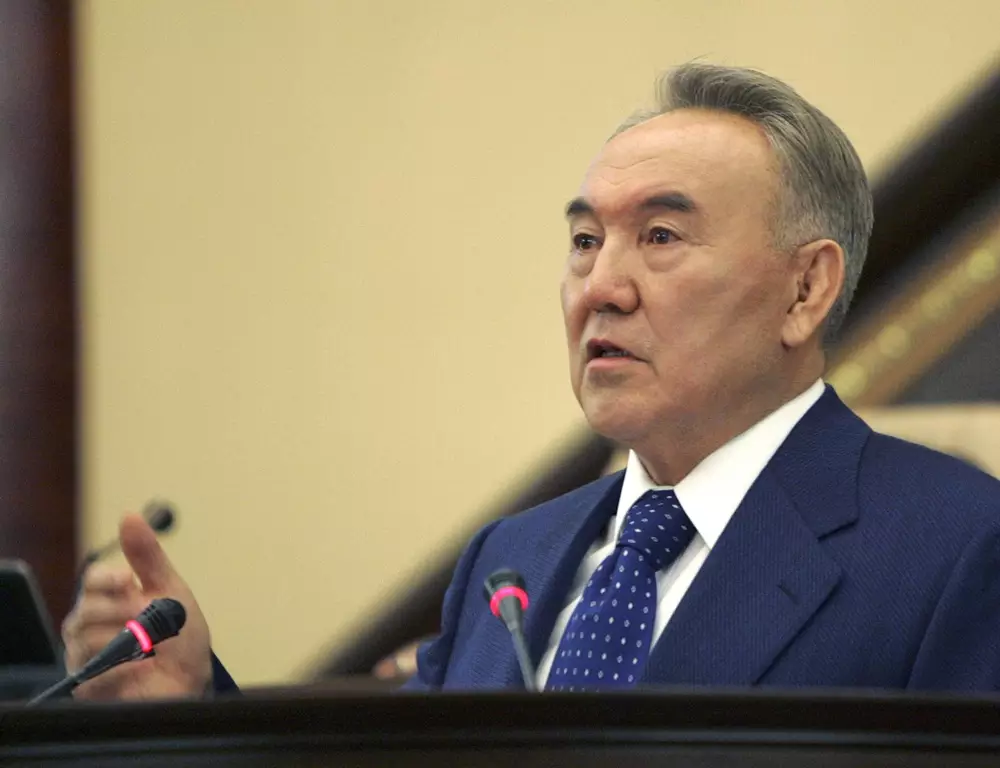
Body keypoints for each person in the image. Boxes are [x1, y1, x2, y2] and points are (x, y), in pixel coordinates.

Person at [62, 63, 1000, 699]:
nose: (601, 286)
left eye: (661, 237)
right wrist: (195, 700)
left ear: (805, 290)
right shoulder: (509, 559)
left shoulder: (955, 547)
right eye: (585, 241)